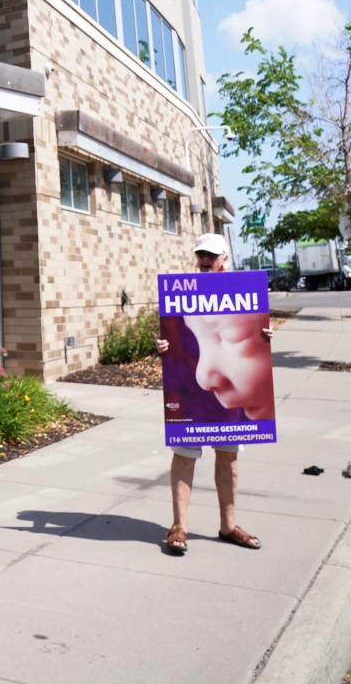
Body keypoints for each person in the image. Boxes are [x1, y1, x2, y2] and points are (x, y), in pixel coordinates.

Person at [156, 232, 273, 556]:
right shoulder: (182, 293)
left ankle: (228, 525)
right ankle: (179, 526)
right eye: (200, 254)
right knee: (184, 455)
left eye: (211, 254)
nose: (204, 259)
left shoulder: (244, 292)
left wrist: (265, 335)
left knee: (228, 457)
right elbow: (171, 333)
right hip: (190, 388)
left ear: (224, 258)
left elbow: (254, 334)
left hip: (228, 392)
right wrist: (162, 344)